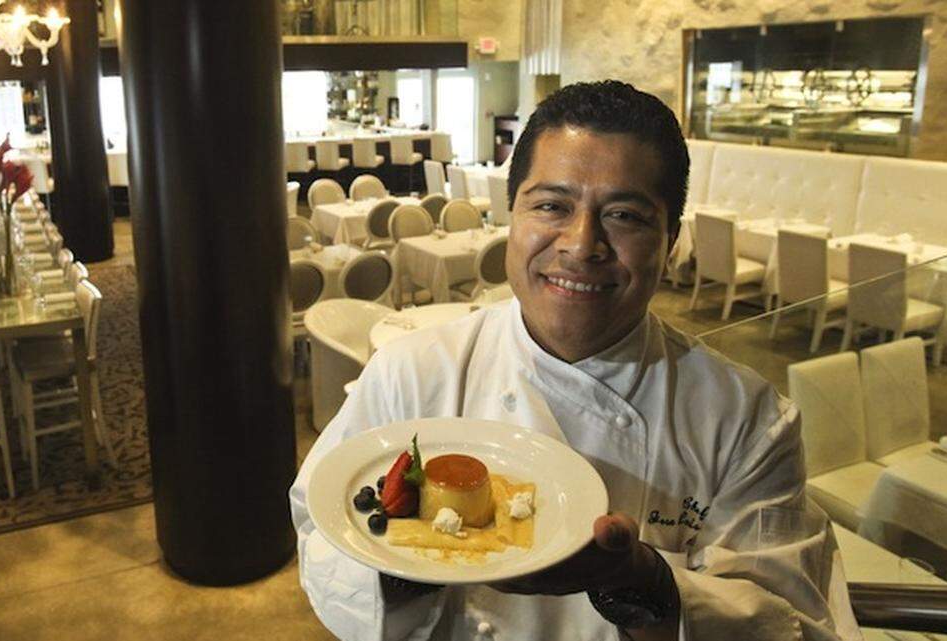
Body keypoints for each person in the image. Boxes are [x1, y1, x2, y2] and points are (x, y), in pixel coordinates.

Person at [289, 81, 861, 641]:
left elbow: (792, 622)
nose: (581, 243)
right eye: (551, 205)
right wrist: (406, 561)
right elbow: (320, 527)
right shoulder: (410, 372)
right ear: (510, 214)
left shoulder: (747, 422)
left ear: (672, 241)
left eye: (626, 216)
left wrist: (647, 584)